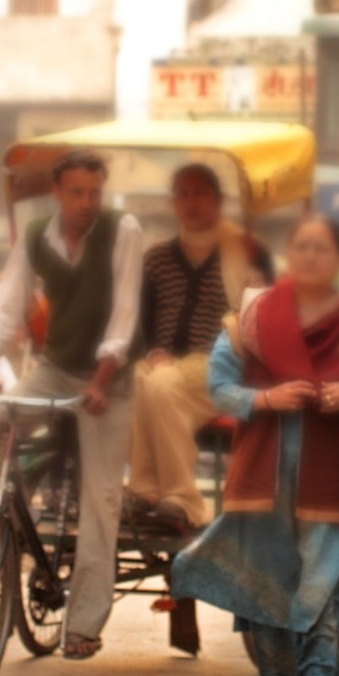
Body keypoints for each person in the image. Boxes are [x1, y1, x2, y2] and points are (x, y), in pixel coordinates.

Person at [171, 215, 339, 676]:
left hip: (330, 484)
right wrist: (265, 399)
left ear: (338, 261)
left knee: (318, 596)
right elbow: (219, 386)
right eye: (301, 246)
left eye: (322, 248)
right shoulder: (252, 317)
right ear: (288, 254)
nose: (310, 255)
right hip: (260, 484)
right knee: (265, 597)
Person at [0, 150, 142, 661]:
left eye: (94, 192)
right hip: (54, 367)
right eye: (76, 192)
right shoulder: (36, 236)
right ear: (58, 192)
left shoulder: (123, 231)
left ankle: (84, 624)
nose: (86, 202)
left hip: (108, 382)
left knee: (101, 499)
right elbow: (5, 310)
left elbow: (123, 317)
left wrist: (100, 381)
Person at [128, 163, 273, 533]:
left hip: (223, 366)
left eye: (200, 193)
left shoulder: (248, 253)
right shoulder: (156, 259)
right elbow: (141, 324)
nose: (191, 202)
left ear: (218, 201)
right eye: (183, 194)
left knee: (159, 384)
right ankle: (144, 490)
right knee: (133, 379)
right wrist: (152, 352)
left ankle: (182, 499)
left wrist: (253, 293)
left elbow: (264, 322)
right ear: (174, 203)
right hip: (165, 366)